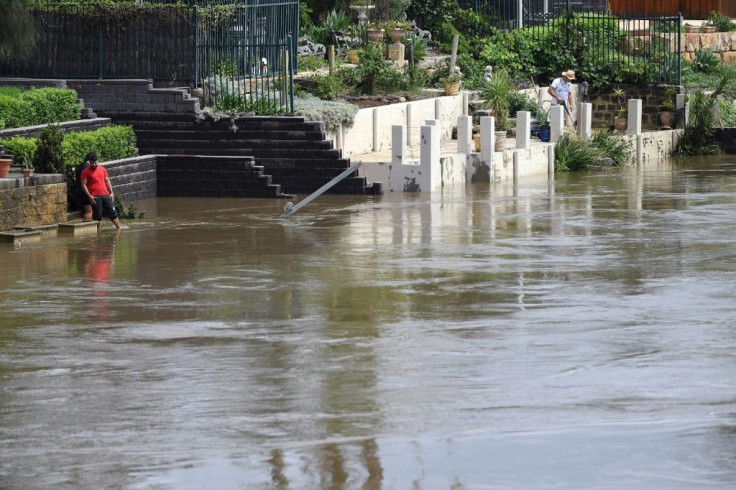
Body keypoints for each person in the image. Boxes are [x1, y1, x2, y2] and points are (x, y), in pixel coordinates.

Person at [80, 153, 122, 231]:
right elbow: (83, 185)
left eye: (96, 162)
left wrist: (111, 192)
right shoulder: (85, 172)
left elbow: (107, 181)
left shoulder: (102, 169)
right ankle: (97, 232)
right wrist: (89, 196)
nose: (94, 164)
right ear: (89, 162)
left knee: (113, 212)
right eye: (92, 163)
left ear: (98, 161)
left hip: (106, 195)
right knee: (97, 216)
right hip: (95, 197)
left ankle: (119, 228)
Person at [74, 152, 94, 221]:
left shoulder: (81, 165)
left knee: (88, 211)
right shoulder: (87, 167)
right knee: (89, 212)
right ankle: (86, 227)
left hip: (81, 191)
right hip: (85, 192)